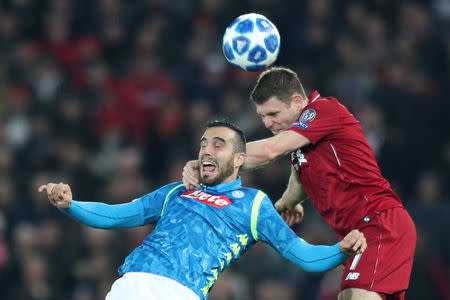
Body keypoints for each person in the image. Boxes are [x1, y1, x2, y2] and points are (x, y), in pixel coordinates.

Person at [39, 120, 367, 300]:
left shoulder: (253, 204)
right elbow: (117, 214)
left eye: (218, 145)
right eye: (203, 144)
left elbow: (304, 255)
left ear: (240, 159)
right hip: (131, 284)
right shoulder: (179, 190)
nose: (206, 151)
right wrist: (70, 205)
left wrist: (342, 249)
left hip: (179, 292)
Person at [182, 68, 417, 300]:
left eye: (273, 114)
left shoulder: (323, 110)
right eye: (262, 116)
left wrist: (211, 160)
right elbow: (301, 176)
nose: (267, 123)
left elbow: (270, 151)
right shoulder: (302, 141)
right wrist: (289, 200)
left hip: (379, 222)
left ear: (296, 101)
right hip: (359, 234)